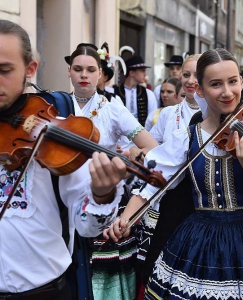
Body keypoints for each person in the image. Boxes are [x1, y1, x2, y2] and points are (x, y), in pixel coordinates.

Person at [106, 48, 243, 300]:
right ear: (201, 90)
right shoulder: (188, 136)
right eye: (216, 84)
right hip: (202, 238)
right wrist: (126, 219)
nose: (227, 92)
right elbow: (153, 182)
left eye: (233, 81)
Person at [0, 19, 130, 300]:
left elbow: (87, 226)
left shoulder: (58, 133)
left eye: (5, 70)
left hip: (46, 293)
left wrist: (102, 194)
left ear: (30, 69)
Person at [67, 43, 160, 300]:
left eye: (90, 69)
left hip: (103, 198)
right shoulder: (58, 106)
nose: (83, 75)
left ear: (100, 73)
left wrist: (128, 163)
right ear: (69, 72)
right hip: (64, 201)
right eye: (77, 69)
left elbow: (150, 147)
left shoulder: (113, 108)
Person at [149, 54, 202, 144]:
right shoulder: (168, 113)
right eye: (186, 75)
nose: (190, 81)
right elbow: (150, 144)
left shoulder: (216, 114)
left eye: (196, 76)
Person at [113, 56, 157, 127]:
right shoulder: (113, 92)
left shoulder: (148, 94)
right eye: (143, 71)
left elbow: (152, 119)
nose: (145, 74)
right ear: (132, 73)